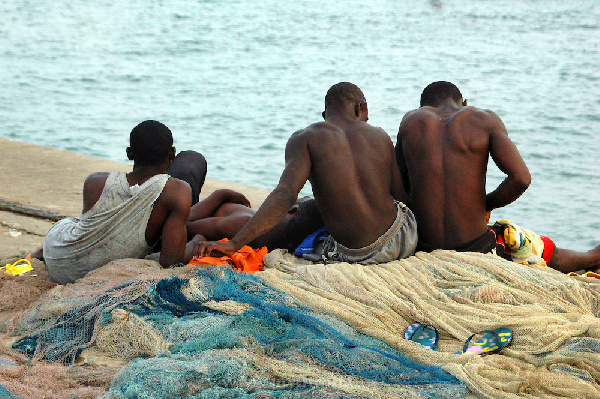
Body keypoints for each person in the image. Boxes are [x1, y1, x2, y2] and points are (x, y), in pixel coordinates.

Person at [198, 82, 418, 263]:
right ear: (359, 108)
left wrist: (234, 243)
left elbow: (285, 195)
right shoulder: (379, 135)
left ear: (325, 114)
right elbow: (399, 198)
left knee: (305, 211)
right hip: (404, 239)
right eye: (365, 116)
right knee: (312, 207)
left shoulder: (305, 138)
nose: (366, 122)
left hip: (358, 254)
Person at [395, 81, 599, 273]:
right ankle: (592, 258)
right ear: (464, 103)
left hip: (425, 248)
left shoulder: (411, 122)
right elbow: (521, 179)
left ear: (424, 107)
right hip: (477, 248)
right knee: (532, 243)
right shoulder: (483, 119)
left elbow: (398, 187)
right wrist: (485, 204)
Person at [36, 120, 206, 284]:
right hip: (88, 274)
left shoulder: (95, 182)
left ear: (129, 153)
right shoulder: (178, 191)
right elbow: (171, 263)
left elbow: (93, 237)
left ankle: (38, 252)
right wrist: (194, 244)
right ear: (172, 154)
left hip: (57, 258)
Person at [187, 189, 325, 253]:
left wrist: (221, 195)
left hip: (194, 213)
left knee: (194, 159)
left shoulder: (243, 224)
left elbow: (184, 224)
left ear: (291, 210)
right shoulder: (277, 240)